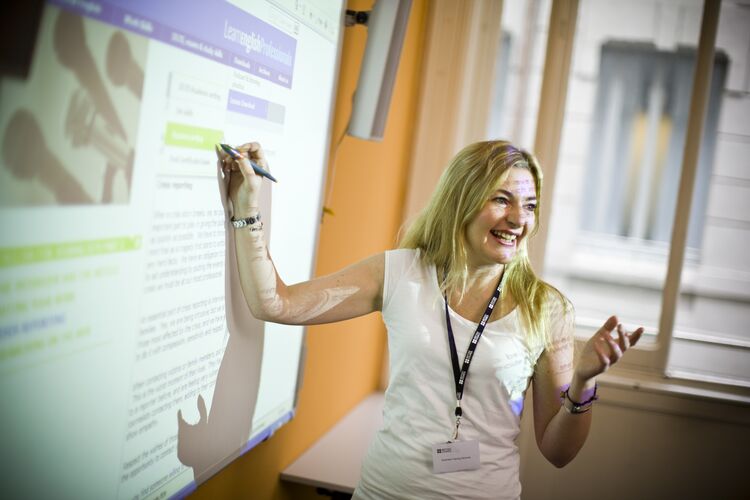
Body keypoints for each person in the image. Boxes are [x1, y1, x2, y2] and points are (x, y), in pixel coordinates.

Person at [216, 140, 644, 500]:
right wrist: (249, 207)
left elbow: (557, 451)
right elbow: (275, 303)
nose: (519, 220)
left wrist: (585, 380)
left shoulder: (547, 309)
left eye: (529, 206)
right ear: (462, 199)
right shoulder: (399, 272)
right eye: (502, 199)